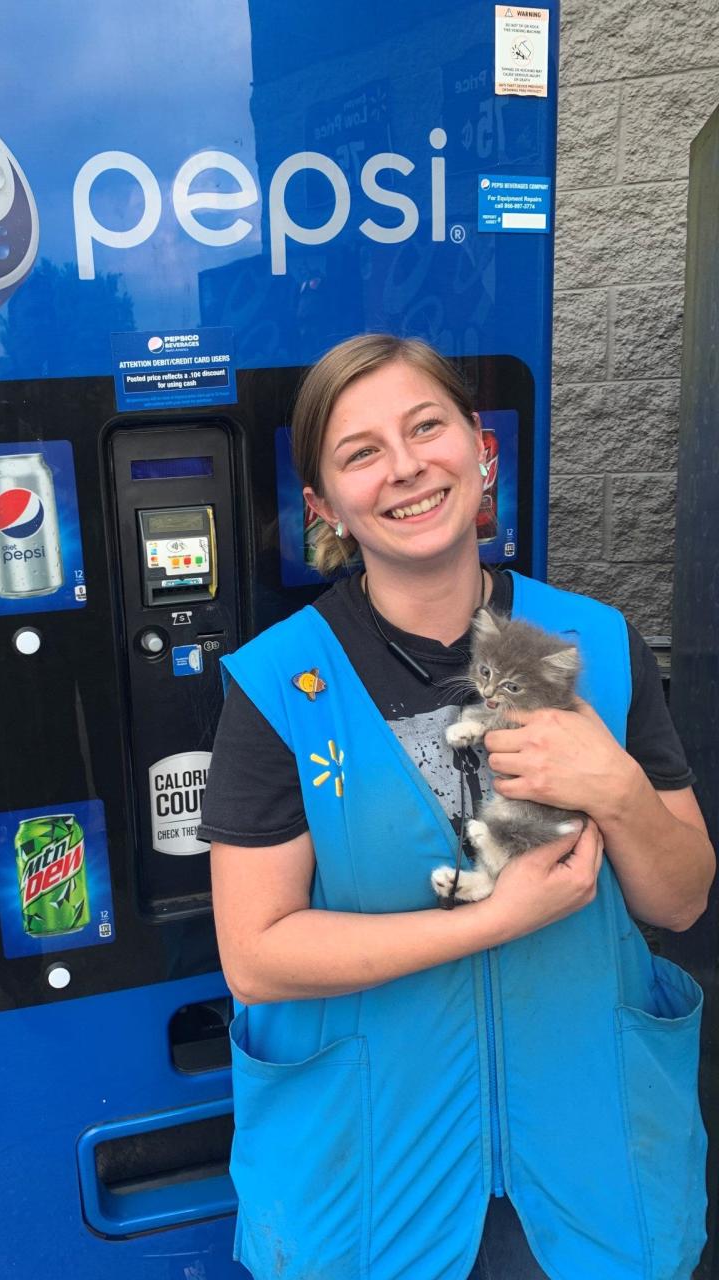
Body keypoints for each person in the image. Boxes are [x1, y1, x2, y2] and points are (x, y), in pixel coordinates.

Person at [199, 334, 714, 1280]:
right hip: (371, 1193)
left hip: (594, 1171)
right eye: (360, 453)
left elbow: (681, 898)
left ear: (480, 449)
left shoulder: (597, 643)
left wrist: (616, 789)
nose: (405, 468)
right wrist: (495, 923)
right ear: (326, 507)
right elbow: (257, 954)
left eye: (425, 427)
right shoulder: (277, 686)